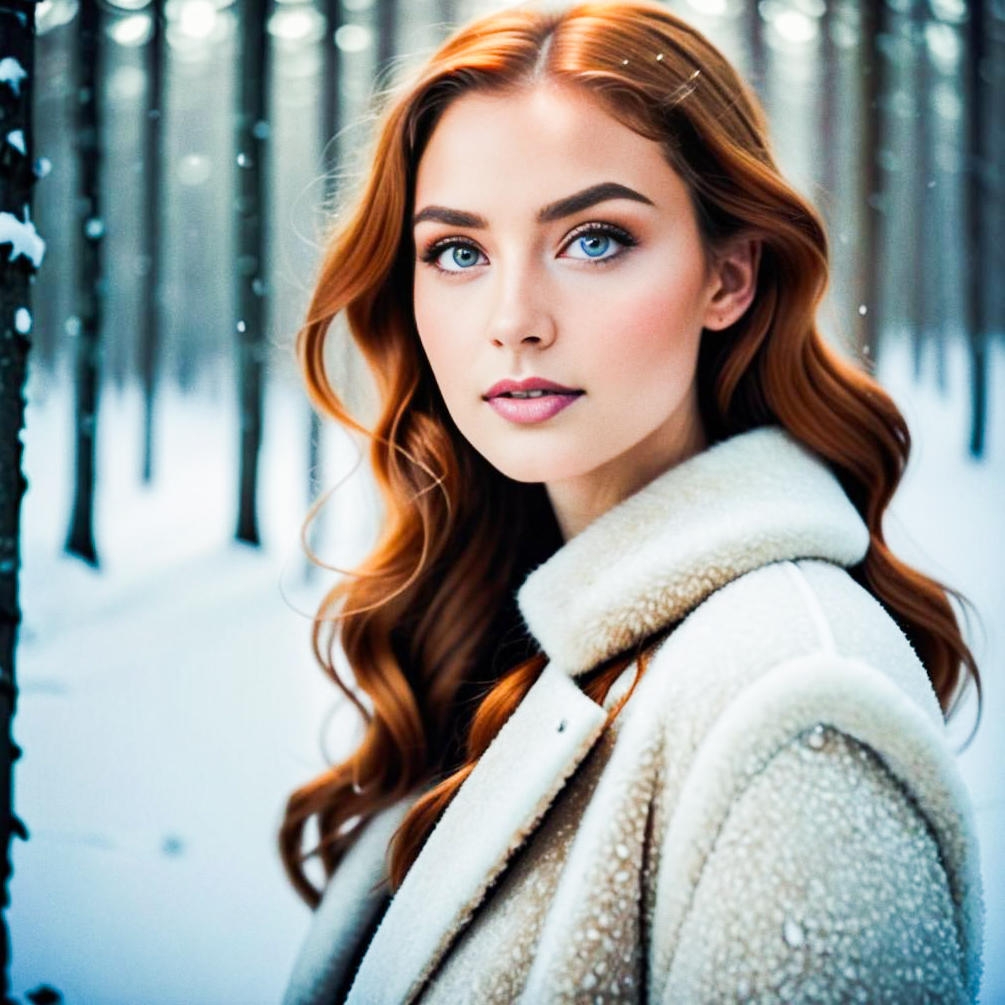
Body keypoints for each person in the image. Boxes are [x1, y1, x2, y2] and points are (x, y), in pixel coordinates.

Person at [279, 3, 984, 1002]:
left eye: (595, 240)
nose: (514, 321)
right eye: (459, 252)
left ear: (728, 276)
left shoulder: (798, 709)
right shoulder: (497, 626)